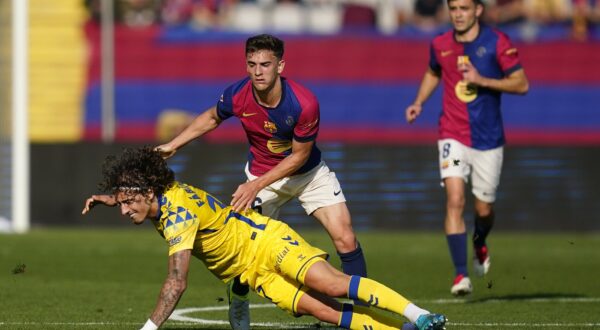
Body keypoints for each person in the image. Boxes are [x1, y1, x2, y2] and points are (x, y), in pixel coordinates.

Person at [81, 147, 447, 330]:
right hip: (253, 272)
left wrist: (147, 329)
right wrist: (109, 197)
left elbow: (177, 283)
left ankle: (421, 314)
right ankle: (405, 329)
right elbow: (140, 191)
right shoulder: (159, 191)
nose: (124, 210)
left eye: (128, 202)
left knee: (331, 285)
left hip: (266, 243)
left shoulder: (177, 216)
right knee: (326, 312)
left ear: (146, 194)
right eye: (122, 202)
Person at [155, 34, 368, 328]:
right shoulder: (238, 94)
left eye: (265, 64)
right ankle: (239, 300)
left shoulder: (304, 103)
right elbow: (212, 117)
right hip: (261, 176)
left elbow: (298, 157)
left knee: (346, 237)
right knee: (246, 251)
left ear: (281, 65)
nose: (258, 72)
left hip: (308, 174)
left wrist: (254, 186)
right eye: (252, 64)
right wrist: (174, 144)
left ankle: (363, 312)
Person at [404, 0, 529, 296]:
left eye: (464, 8)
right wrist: (419, 102)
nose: (458, 14)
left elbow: (521, 83)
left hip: (488, 139)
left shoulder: (497, 41)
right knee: (455, 200)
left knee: (484, 209)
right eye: (454, 8)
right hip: (452, 132)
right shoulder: (440, 43)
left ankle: (479, 241)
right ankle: (461, 275)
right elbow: (434, 71)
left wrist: (481, 80)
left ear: (478, 11)